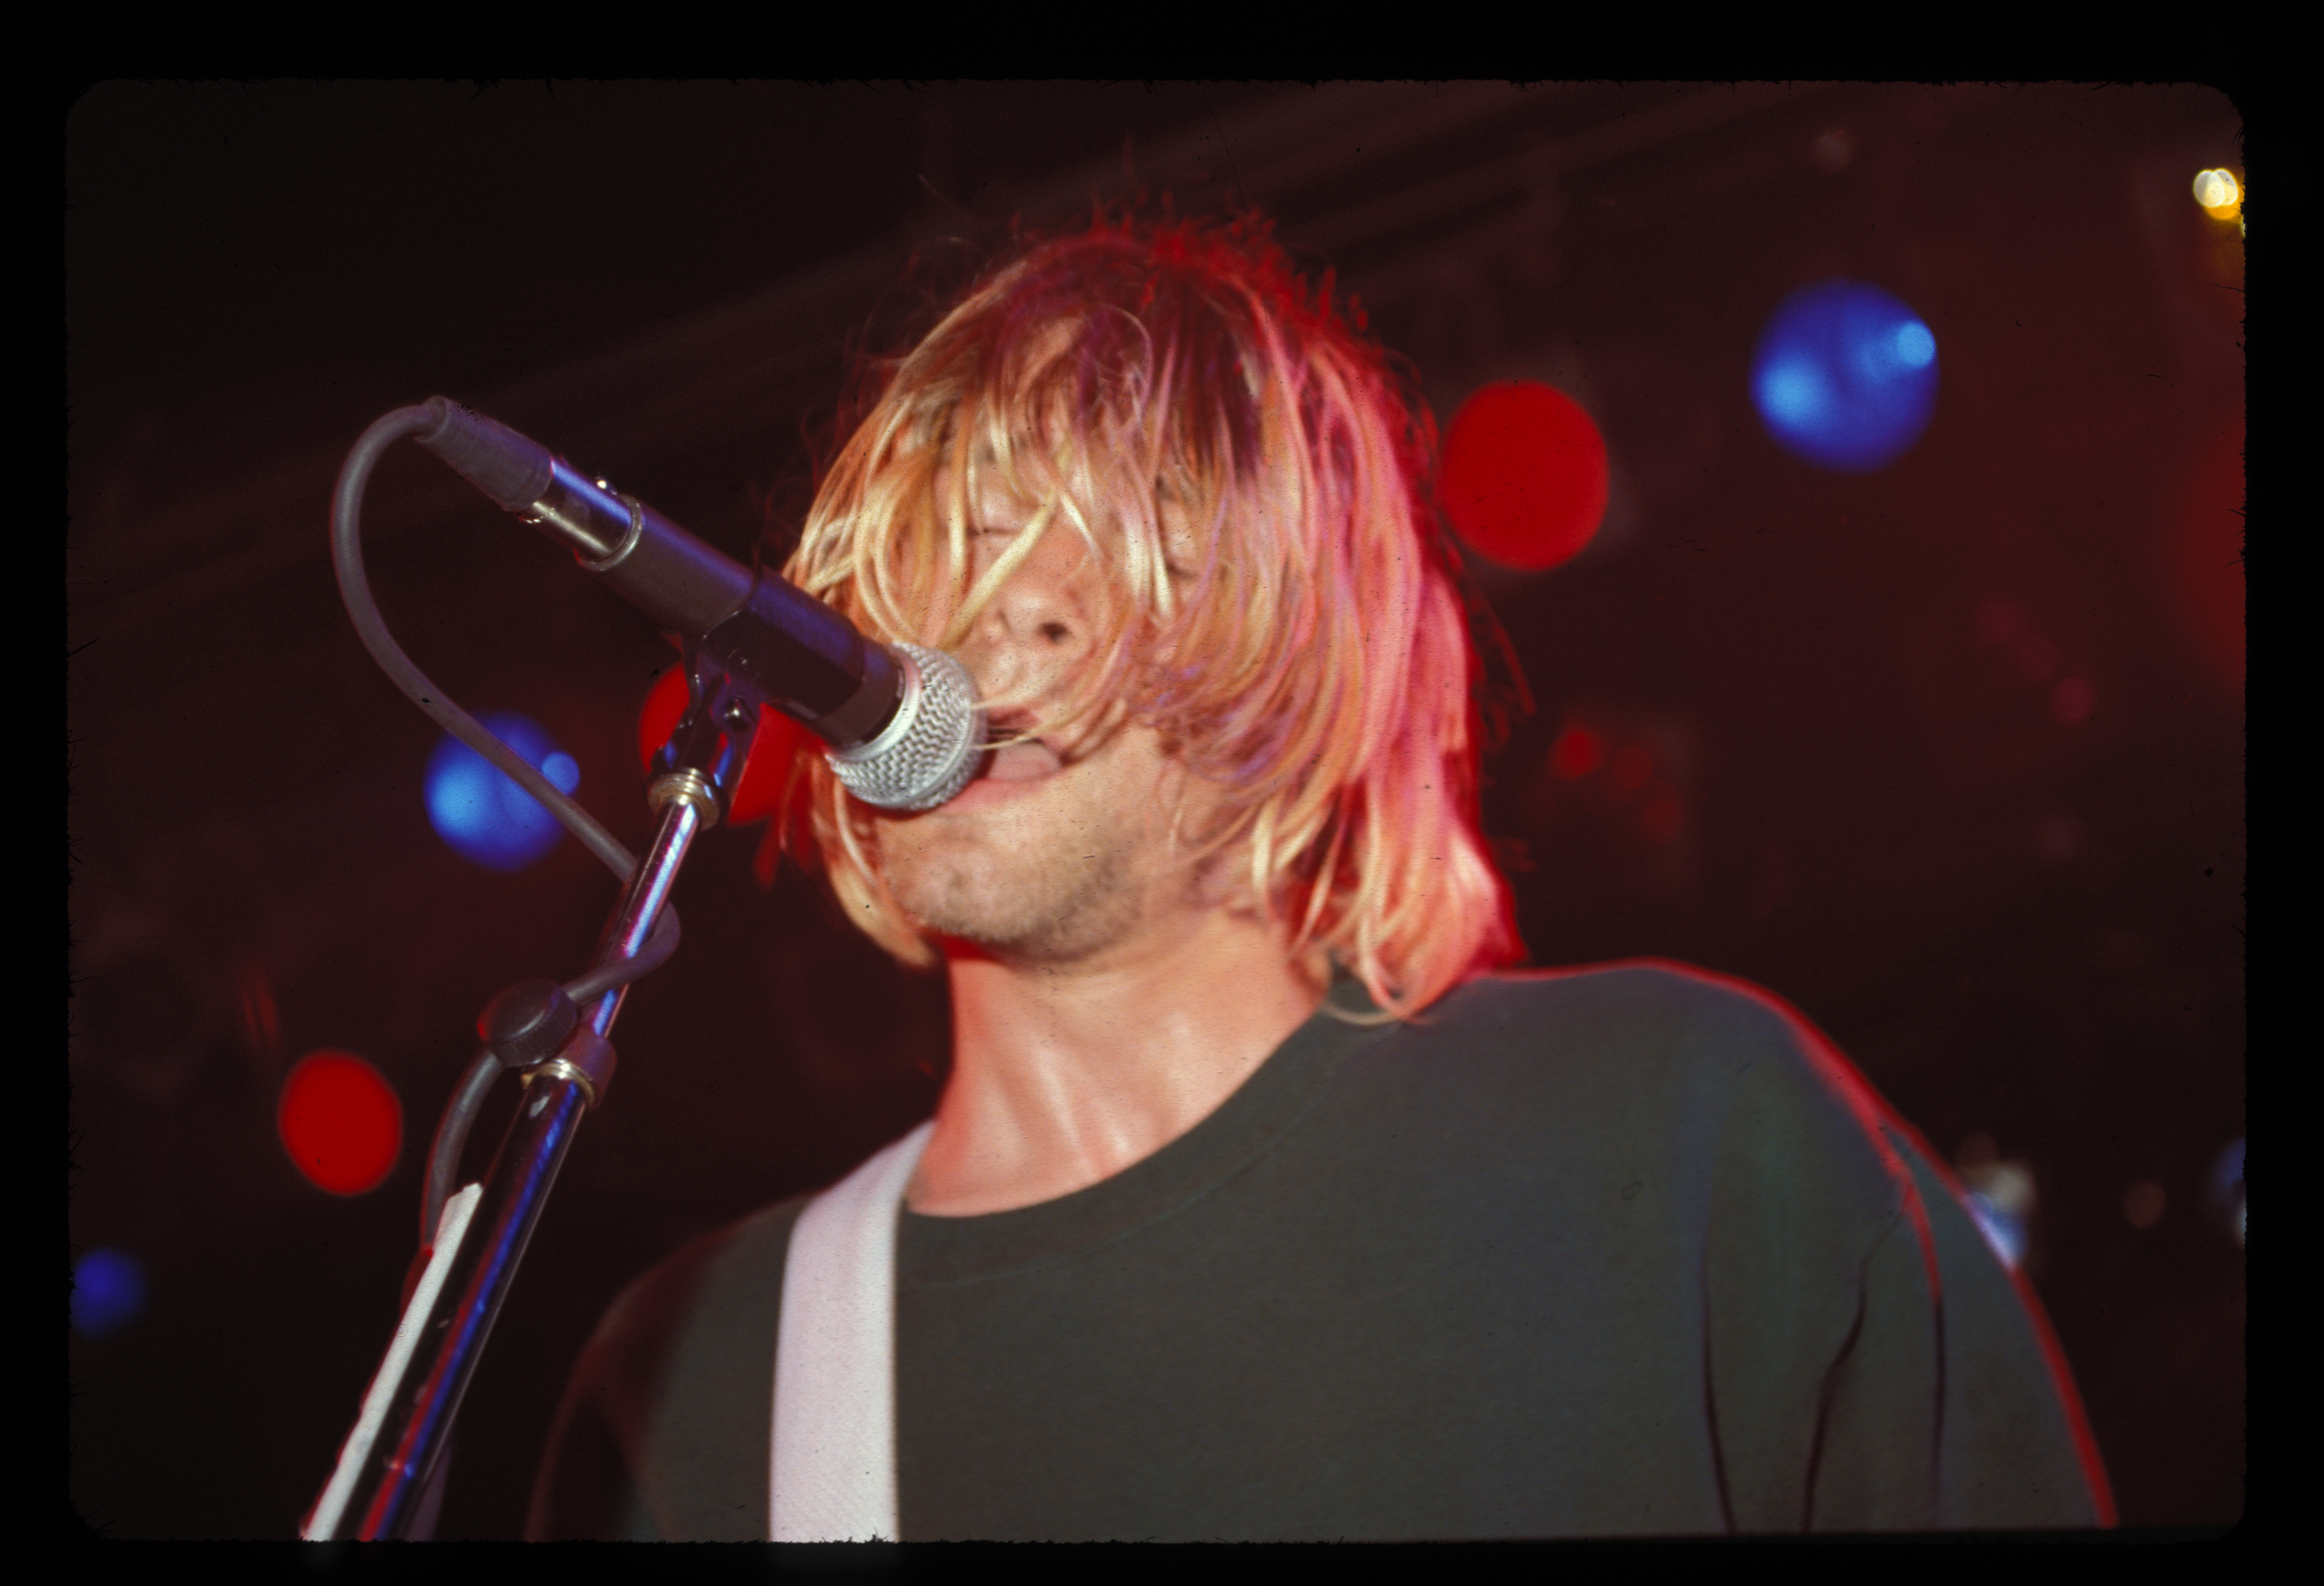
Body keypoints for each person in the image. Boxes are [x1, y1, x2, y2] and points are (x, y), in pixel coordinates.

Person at [526, 210, 2114, 1541]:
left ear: (1302, 642)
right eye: (950, 543)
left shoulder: (1692, 1134)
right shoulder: (698, 1384)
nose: (1004, 612)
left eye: (1133, 528)